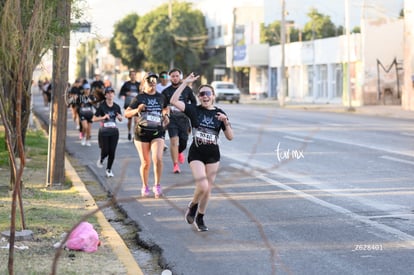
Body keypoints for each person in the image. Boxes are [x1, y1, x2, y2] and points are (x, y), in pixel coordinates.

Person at [170, 72, 234, 232]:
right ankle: (192, 206)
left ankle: (200, 217)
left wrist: (225, 122)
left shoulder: (220, 113)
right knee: (203, 185)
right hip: (197, 153)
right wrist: (185, 83)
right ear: (199, 96)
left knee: (208, 189)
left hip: (213, 155)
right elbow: (173, 101)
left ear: (213, 96)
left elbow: (230, 137)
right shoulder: (194, 110)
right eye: (201, 94)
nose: (204, 96)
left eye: (207, 94)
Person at [124, 72, 170, 198]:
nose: (152, 83)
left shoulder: (161, 97)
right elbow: (126, 113)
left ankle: (157, 185)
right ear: (144, 83)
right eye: (150, 81)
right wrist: (137, 110)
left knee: (158, 158)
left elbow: (166, 108)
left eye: (155, 81)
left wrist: (166, 115)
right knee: (145, 162)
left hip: (157, 131)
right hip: (142, 133)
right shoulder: (139, 98)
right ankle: (145, 186)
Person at [162, 68, 196, 173]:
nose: (175, 78)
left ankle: (179, 151)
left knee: (184, 141)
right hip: (172, 118)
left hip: (184, 118)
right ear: (169, 78)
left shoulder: (187, 90)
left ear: (180, 77)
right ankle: (175, 165)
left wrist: (190, 114)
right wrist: (165, 116)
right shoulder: (166, 91)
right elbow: (163, 107)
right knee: (173, 141)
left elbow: (194, 103)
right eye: (173, 76)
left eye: (177, 76)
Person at [92, 87, 123, 178]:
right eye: (108, 93)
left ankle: (109, 169)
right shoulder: (102, 106)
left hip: (114, 131)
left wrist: (120, 118)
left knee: (112, 152)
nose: (110, 94)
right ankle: (101, 158)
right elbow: (94, 119)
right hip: (104, 131)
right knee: (105, 150)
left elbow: (120, 118)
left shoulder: (116, 106)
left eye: (112, 93)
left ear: (114, 94)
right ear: (105, 95)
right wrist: (103, 117)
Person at [119, 69, 141, 141]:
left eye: (134, 75)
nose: (133, 76)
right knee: (129, 121)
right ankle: (129, 132)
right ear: (129, 76)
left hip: (137, 104)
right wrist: (126, 93)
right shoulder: (126, 84)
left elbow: (142, 93)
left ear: (135, 76)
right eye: (131, 75)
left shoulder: (138, 84)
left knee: (136, 120)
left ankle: (135, 135)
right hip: (129, 104)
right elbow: (121, 93)